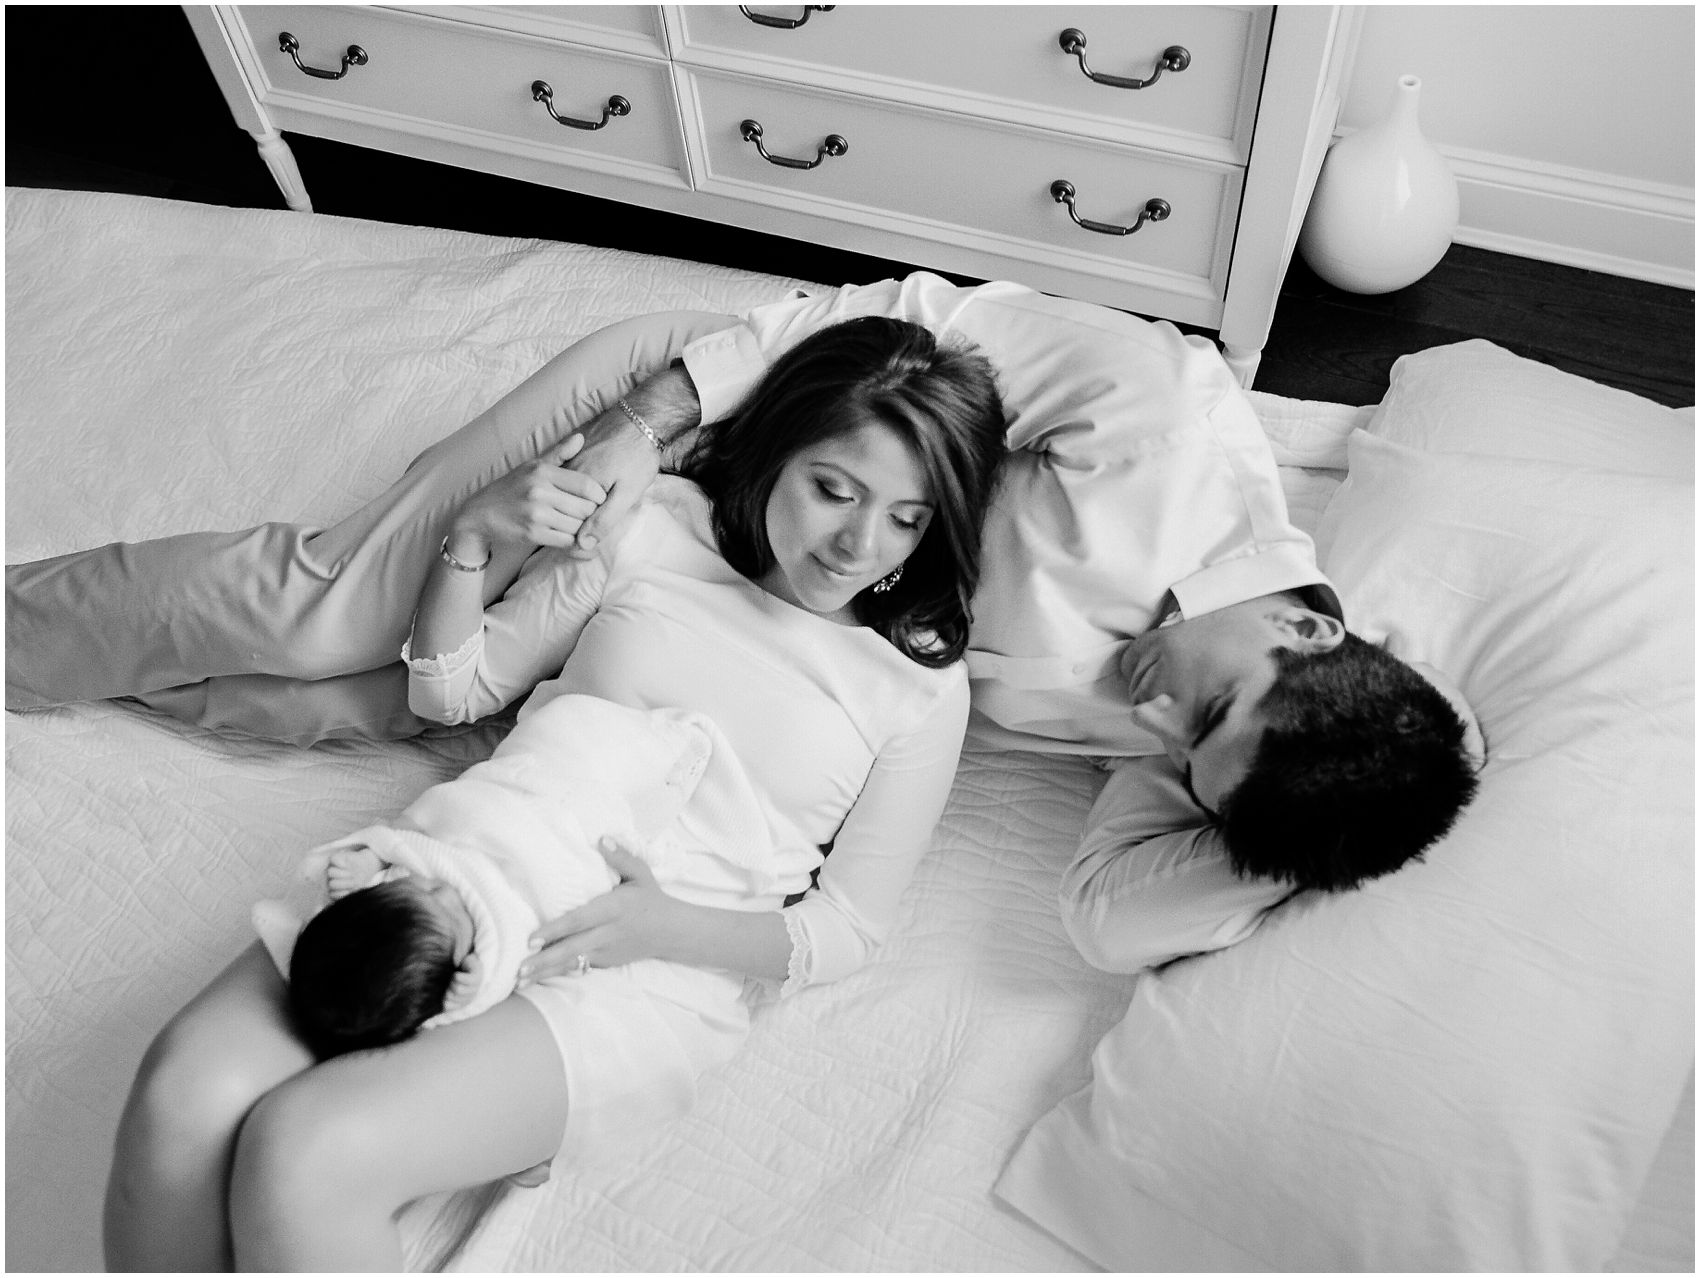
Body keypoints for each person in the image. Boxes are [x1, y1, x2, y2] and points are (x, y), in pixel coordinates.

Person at [10, 272, 1478, 974]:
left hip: (705, 605)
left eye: (1180, 763)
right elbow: (908, 329)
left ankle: (160, 672)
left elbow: (1104, 922)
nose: (1147, 733)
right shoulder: (1167, 430)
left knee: (347, 708)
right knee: (326, 613)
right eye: (1201, 714)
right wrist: (635, 440)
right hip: (722, 422)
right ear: (1302, 640)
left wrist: (1296, 848)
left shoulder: (1224, 753)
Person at [100, 316, 1008, 1270]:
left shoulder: (918, 687)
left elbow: (847, 932)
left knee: (305, 1150)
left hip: (648, 966)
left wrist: (657, 928)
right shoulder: (653, 529)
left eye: (908, 519)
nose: (858, 544)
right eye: (834, 490)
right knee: (181, 1098)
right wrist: (470, 537)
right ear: (779, 451)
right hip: (474, 863)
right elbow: (456, 690)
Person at [267, 692, 770, 1061]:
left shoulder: (394, 897)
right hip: (560, 851)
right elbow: (517, 961)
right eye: (450, 912)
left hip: (516, 792)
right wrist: (478, 987)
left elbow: (409, 837)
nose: (441, 886)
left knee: (555, 743)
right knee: (614, 813)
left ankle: (639, 747)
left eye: (419, 888)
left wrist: (370, 862)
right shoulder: (481, 961)